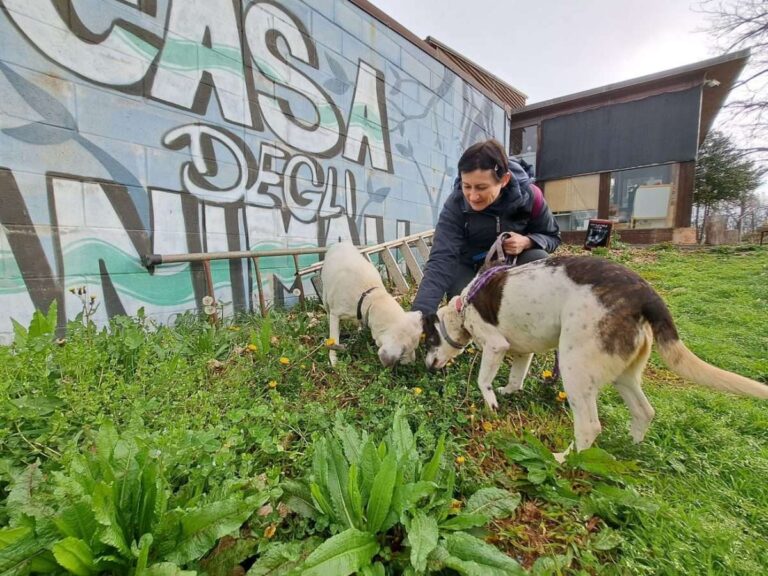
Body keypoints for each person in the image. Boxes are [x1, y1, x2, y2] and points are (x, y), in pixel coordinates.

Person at [411, 139, 561, 316]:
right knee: (465, 307)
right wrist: (420, 315)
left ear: (504, 180)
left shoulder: (530, 197)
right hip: (469, 266)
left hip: (511, 264)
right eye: (467, 186)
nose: (473, 196)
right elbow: (441, 259)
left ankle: (531, 317)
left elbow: (552, 237)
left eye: (481, 187)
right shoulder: (456, 204)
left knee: (539, 259)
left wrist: (527, 241)